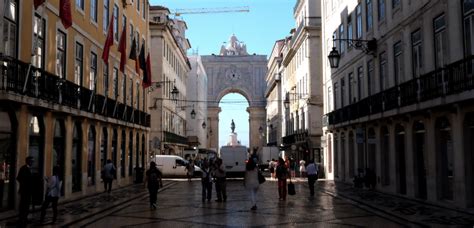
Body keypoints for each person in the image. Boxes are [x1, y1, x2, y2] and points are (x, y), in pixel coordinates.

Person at [16, 156, 34, 227]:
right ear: (28, 161)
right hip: (25, 190)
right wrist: (25, 185)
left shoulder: (29, 168)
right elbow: (18, 178)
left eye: (33, 161)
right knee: (23, 205)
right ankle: (22, 218)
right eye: (31, 161)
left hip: (28, 191)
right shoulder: (23, 168)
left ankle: (24, 218)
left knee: (26, 205)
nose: (32, 162)